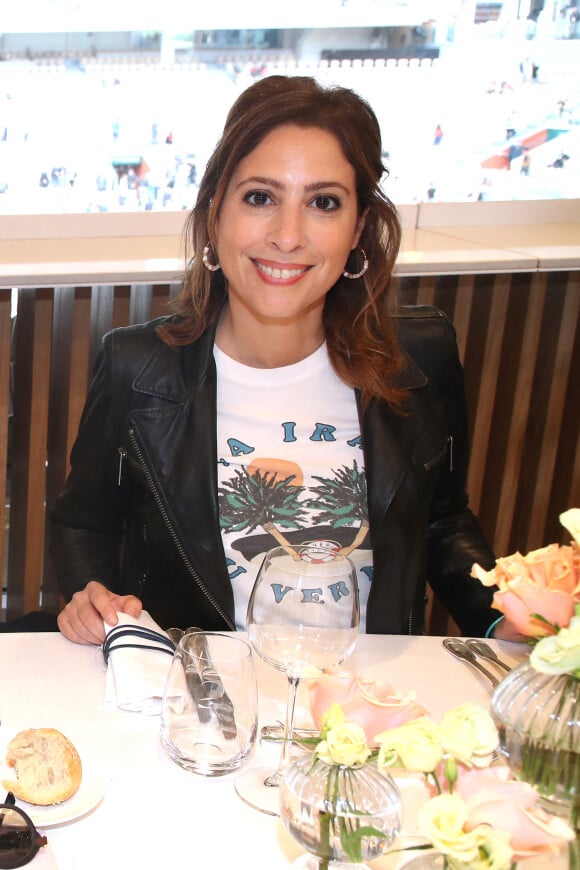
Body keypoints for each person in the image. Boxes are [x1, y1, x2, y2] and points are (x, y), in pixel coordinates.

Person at [50, 75, 520, 646]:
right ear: (214, 213)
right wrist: (90, 594)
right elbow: (83, 523)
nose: (288, 236)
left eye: (323, 203)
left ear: (358, 230)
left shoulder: (418, 357)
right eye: (260, 198)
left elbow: (443, 521)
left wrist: (505, 616)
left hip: (367, 706)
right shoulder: (136, 367)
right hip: (203, 707)